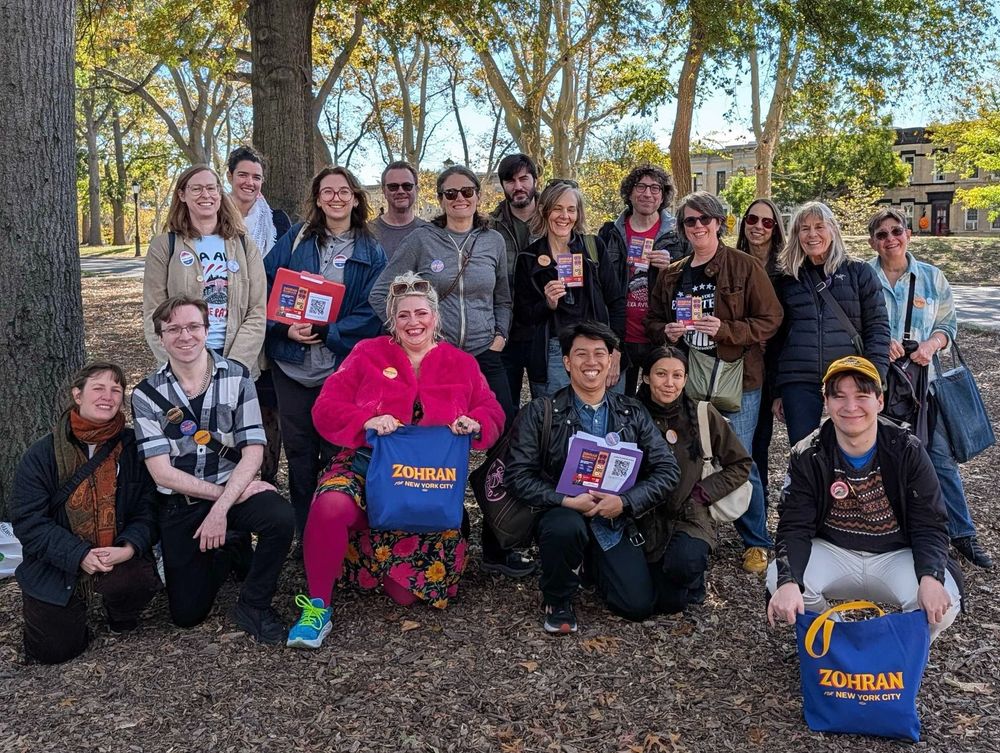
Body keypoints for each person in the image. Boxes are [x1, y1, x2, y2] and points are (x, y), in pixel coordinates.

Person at [286, 273, 505, 648]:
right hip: (366, 463)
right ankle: (317, 607)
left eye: (421, 313)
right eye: (403, 315)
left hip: (424, 480)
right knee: (330, 505)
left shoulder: (461, 363)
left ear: (435, 317)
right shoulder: (367, 354)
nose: (413, 322)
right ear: (392, 319)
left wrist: (476, 422)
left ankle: (363, 550)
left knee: (403, 595)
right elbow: (325, 409)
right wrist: (365, 421)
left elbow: (493, 411)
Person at [369, 165, 528, 577]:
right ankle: (447, 532)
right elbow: (381, 292)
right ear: (439, 199)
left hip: (486, 355)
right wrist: (410, 339)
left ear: (479, 195)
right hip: (437, 361)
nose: (460, 200)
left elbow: (504, 297)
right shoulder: (422, 240)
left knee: (503, 441)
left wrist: (500, 335)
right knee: (438, 442)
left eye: (467, 192)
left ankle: (497, 543)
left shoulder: (493, 240)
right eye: (451, 193)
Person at [132, 296, 294, 644]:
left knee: (280, 517)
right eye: (173, 329)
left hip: (231, 489)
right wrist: (221, 502)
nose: (184, 336)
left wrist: (222, 508)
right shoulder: (146, 394)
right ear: (161, 337)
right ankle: (228, 548)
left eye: (193, 326)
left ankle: (254, 604)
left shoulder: (237, 377)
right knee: (187, 615)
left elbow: (253, 452)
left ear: (207, 330)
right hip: (183, 502)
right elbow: (162, 474)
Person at [766, 356, 961, 642]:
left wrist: (931, 576)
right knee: (780, 579)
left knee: (943, 604)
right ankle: (837, 638)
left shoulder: (906, 449)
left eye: (861, 396)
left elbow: (929, 522)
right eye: (839, 396)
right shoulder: (807, 453)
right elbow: (794, 525)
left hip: (895, 553)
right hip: (835, 550)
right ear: (826, 402)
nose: (850, 406)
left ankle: (895, 653)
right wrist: (789, 581)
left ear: (880, 401)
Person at [504, 322, 680, 634]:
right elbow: (517, 475)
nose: (591, 362)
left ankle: (591, 566)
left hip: (613, 520)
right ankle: (558, 597)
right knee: (565, 527)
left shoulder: (631, 412)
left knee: (636, 606)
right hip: (562, 515)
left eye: (600, 354)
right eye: (581, 354)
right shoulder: (542, 412)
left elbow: (668, 471)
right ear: (567, 362)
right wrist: (564, 500)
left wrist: (625, 502)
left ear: (611, 361)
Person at [645, 191, 783, 574]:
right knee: (689, 454)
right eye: (690, 221)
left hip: (736, 377)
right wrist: (666, 331)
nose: (698, 226)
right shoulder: (673, 274)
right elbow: (651, 320)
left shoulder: (743, 266)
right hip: (687, 377)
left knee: (739, 457)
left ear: (719, 223)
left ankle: (756, 541)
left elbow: (771, 318)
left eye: (705, 219)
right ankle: (693, 526)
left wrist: (727, 329)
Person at [866, 207, 992, 569]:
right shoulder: (864, 277)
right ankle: (892, 532)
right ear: (873, 242)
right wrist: (880, 342)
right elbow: (854, 324)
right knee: (882, 460)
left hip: (924, 385)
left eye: (896, 231)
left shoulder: (932, 278)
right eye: (882, 234)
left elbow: (947, 325)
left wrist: (931, 345)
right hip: (879, 384)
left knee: (939, 458)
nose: (890, 239)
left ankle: (961, 532)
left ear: (909, 234)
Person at [264, 166, 387, 536]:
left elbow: (373, 309)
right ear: (318, 199)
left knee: (338, 451)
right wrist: (285, 329)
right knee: (299, 454)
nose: (336, 197)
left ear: (355, 198)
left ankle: (335, 533)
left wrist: (330, 332)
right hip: (291, 367)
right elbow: (264, 287)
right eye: (328, 191)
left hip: (340, 369)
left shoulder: (371, 250)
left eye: (344, 191)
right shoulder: (297, 239)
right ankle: (306, 533)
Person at [10, 362, 160, 664]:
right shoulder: (43, 454)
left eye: (116, 390)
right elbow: (28, 521)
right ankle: (72, 605)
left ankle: (120, 610)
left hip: (114, 552)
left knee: (137, 579)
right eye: (98, 388)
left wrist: (129, 547)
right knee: (54, 651)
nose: (108, 396)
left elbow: (150, 506)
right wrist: (78, 554)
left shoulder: (133, 446)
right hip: (58, 560)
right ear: (77, 395)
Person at [636, 347, 752, 612]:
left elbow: (741, 464)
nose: (669, 383)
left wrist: (703, 492)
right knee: (646, 598)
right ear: (646, 377)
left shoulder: (702, 414)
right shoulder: (631, 414)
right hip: (644, 517)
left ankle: (692, 575)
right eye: (661, 374)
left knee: (679, 579)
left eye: (677, 375)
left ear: (686, 379)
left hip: (690, 513)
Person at [772, 201, 890, 446]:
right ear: (796, 235)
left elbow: (878, 329)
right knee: (803, 450)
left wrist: (874, 378)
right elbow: (776, 338)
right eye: (804, 228)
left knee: (851, 446)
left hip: (848, 377)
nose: (812, 234)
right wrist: (777, 390)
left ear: (833, 229)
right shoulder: (787, 278)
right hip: (799, 379)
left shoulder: (859, 272)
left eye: (819, 226)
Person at [142, 163, 267, 377]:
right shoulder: (164, 246)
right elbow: (153, 312)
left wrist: (234, 366)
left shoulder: (244, 245)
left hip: (234, 360)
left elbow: (257, 311)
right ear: (182, 195)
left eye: (211, 188)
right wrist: (179, 363)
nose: (205, 195)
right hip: (184, 363)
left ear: (219, 193)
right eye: (196, 189)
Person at [512, 180, 625, 398]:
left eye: (571, 209)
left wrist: (616, 350)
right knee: (557, 417)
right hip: (554, 353)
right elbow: (523, 317)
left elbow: (616, 302)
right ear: (544, 211)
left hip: (598, 346)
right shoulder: (529, 258)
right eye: (557, 208)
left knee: (601, 415)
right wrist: (547, 304)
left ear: (578, 214)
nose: (564, 216)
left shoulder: (593, 248)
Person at [225, 145, 292, 486]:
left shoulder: (277, 221)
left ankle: (266, 476)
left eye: (256, 177)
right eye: (243, 175)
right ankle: (230, 475)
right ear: (229, 176)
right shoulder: (213, 217)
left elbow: (286, 272)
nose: (249, 183)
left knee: (268, 404)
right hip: (226, 324)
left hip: (268, 323)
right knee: (227, 401)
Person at [598, 165, 688, 395]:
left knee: (659, 405)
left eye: (655, 188)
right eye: (641, 187)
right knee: (616, 403)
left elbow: (693, 284)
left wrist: (672, 267)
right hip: (620, 336)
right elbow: (600, 287)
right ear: (629, 193)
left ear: (663, 196)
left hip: (660, 336)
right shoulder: (609, 233)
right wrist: (607, 341)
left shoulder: (679, 235)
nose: (648, 193)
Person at [736, 198, 786, 505]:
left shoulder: (787, 270)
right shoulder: (731, 262)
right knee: (739, 440)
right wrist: (753, 334)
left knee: (761, 440)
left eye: (767, 222)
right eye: (752, 219)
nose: (758, 227)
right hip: (740, 363)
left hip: (775, 363)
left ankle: (760, 502)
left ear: (776, 228)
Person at [491, 153, 540, 404]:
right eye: (510, 181)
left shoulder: (556, 219)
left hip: (546, 329)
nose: (518, 186)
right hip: (504, 331)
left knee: (549, 407)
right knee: (504, 408)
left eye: (524, 179)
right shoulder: (489, 227)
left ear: (535, 180)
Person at [368, 160, 429, 258]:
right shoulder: (367, 233)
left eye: (407, 186)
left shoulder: (429, 233)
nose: (401, 191)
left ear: (416, 190)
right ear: (384, 191)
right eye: (393, 187)